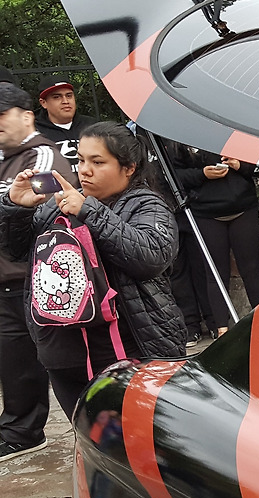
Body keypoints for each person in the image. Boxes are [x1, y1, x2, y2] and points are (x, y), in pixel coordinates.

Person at [0, 121, 184, 419]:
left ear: (129, 168)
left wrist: (89, 210)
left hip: (128, 349)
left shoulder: (146, 204)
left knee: (137, 433)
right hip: (63, 353)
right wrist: (16, 208)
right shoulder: (58, 203)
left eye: (98, 162)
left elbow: (151, 257)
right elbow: (17, 251)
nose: (84, 170)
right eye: (81, 160)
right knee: (89, 434)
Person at [0, 84, 73, 454]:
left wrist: (10, 202)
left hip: (32, 277)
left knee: (51, 363)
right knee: (12, 362)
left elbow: (39, 205)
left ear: (27, 116)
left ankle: (26, 432)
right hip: (5, 279)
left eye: (2, 114)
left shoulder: (43, 155)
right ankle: (17, 430)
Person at [167, 143, 259, 335]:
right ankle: (222, 330)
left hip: (243, 207)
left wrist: (240, 165)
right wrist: (203, 174)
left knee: (251, 269)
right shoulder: (180, 138)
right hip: (206, 212)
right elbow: (172, 176)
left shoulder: (233, 131)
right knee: (215, 273)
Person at [33, 76, 96, 177]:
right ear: (44, 103)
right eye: (57, 97)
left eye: (69, 95)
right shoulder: (35, 131)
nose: (65, 101)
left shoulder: (92, 126)